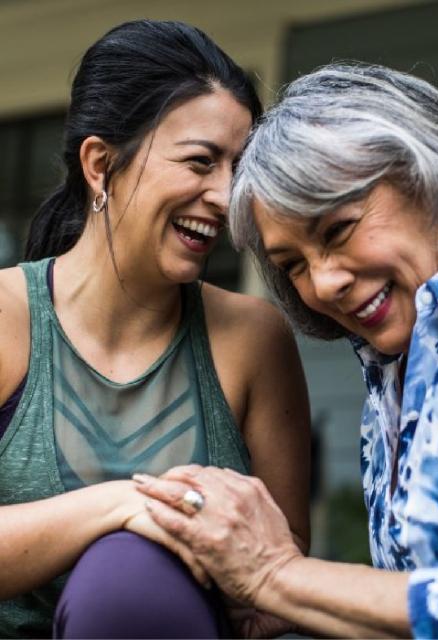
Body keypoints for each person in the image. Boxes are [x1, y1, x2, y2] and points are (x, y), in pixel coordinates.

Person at [135, 63, 438, 638]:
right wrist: (294, 600)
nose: (322, 285)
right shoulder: (394, 371)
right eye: (292, 265)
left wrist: (278, 575)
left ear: (434, 181)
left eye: (339, 228)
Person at [0, 19, 310, 639]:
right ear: (100, 163)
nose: (226, 197)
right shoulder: (7, 318)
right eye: (200, 162)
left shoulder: (253, 337)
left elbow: (284, 562)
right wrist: (128, 506)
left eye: (238, 170)